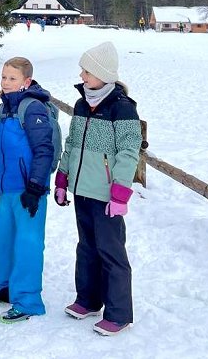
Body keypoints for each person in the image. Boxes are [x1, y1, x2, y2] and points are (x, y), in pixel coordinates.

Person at [54, 41, 142, 336]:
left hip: (107, 196)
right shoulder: (82, 104)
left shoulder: (122, 108)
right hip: (82, 191)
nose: (82, 75)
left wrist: (120, 192)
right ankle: (89, 300)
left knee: (111, 251)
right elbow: (72, 144)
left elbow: (130, 152)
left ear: (104, 73)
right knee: (86, 248)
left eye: (87, 70)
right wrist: (63, 178)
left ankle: (118, 313)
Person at [0, 57, 54, 323]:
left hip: (28, 192)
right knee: (0, 239)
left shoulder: (32, 109)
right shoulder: (1, 110)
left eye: (12, 78)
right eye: (3, 77)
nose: (5, 83)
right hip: (6, 190)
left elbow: (44, 150)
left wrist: (34, 187)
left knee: (27, 245)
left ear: (26, 82)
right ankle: (2, 287)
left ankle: (28, 299)